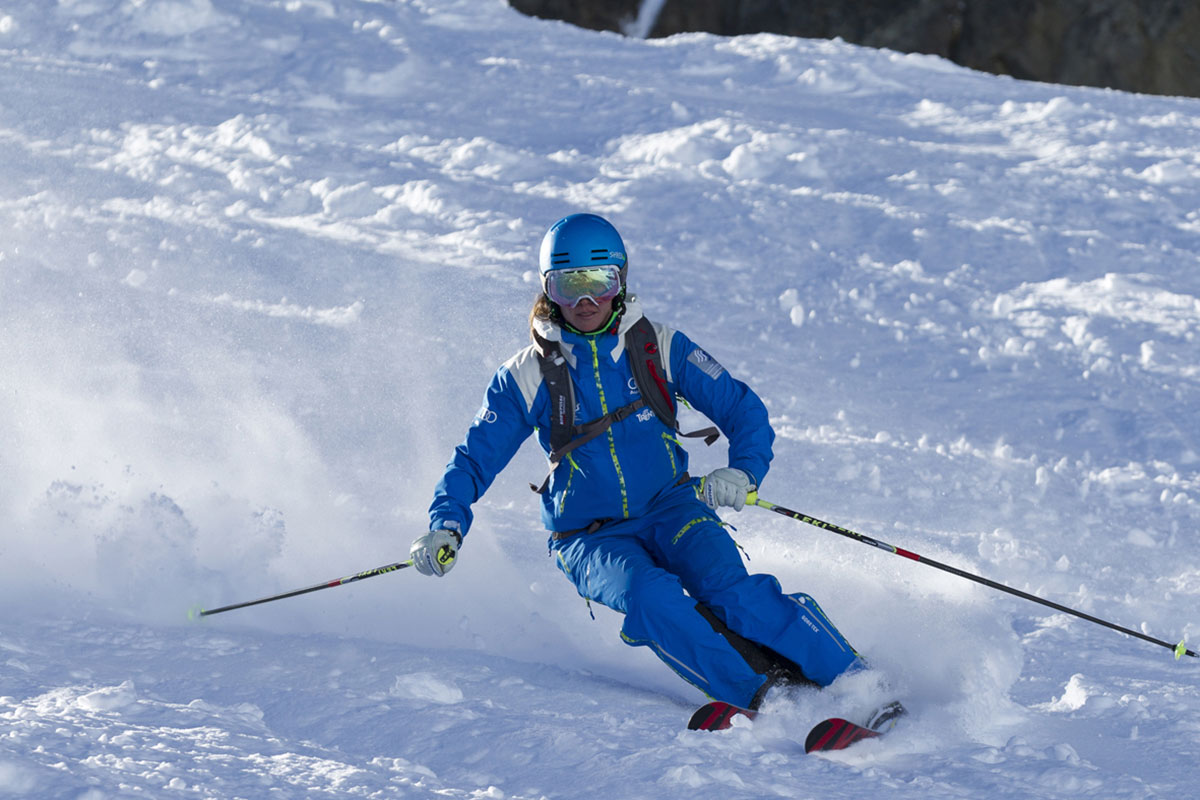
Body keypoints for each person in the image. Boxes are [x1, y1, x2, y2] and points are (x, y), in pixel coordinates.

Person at [411, 213, 864, 711]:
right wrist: (446, 523)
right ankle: (765, 700)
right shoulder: (525, 376)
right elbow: (474, 458)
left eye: (598, 283)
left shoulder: (659, 348)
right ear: (548, 290)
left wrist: (744, 470)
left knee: (732, 592)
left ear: (621, 279)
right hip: (589, 536)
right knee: (652, 597)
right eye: (568, 286)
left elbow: (743, 409)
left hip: (673, 507)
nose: (585, 302)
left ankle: (859, 682)